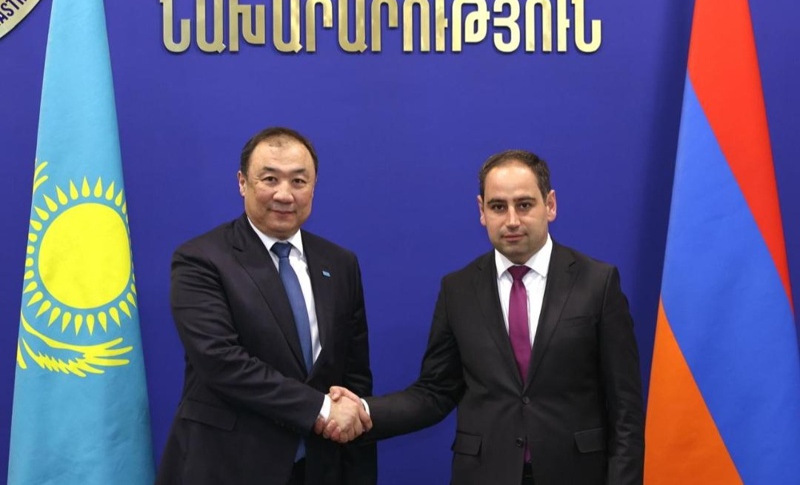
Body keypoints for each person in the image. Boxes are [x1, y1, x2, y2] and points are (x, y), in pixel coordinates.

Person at [326, 150, 644, 485]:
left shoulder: (597, 283)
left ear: (550, 205)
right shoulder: (458, 289)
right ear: (482, 211)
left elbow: (625, 408)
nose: (512, 220)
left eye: (524, 205)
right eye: (498, 207)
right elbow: (435, 391)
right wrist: (365, 411)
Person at [156, 127, 375, 485]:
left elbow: (354, 373)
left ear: (314, 187)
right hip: (228, 466)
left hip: (319, 467)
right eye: (270, 179)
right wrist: (321, 408)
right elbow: (220, 362)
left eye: (299, 181)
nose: (284, 194)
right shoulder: (200, 259)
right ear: (242, 183)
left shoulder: (340, 263)